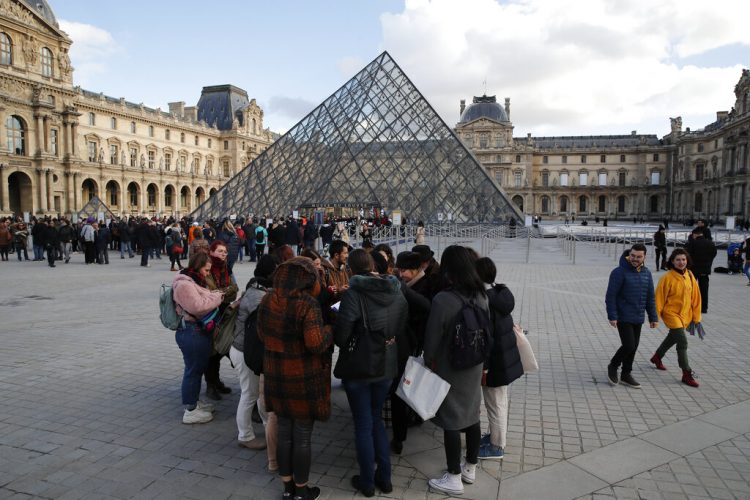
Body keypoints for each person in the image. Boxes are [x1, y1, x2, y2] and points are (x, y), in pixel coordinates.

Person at [257, 257, 333, 500]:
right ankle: (302, 490)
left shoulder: (268, 299)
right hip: (302, 378)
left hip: (276, 376)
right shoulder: (307, 304)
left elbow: (261, 334)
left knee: (285, 433)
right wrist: (330, 330)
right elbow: (315, 343)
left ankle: (287, 488)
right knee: (302, 437)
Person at [334, 249, 407, 497]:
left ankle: (366, 482)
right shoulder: (395, 289)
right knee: (376, 420)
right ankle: (384, 478)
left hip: (360, 364)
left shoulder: (354, 294)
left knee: (363, 425)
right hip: (387, 363)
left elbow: (342, 335)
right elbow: (402, 320)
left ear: (351, 270)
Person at [424, 245, 487, 496]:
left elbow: (431, 340)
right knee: (472, 413)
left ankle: (453, 477)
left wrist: (429, 362)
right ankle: (470, 467)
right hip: (474, 362)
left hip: (450, 366)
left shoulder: (443, 299)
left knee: (451, 419)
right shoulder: (482, 295)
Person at [475, 257, 523, 460]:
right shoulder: (499, 294)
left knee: (495, 404)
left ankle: (496, 446)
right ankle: (495, 437)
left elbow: (488, 339)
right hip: (504, 359)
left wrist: (484, 368)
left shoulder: (485, 301)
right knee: (497, 402)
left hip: (495, 362)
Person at [229, 256, 276, 452]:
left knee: (256, 393)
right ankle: (245, 435)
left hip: (245, 349)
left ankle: (267, 428)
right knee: (249, 393)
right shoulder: (258, 296)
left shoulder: (256, 288)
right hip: (244, 350)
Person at [172, 252, 224, 424]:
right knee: (193, 371)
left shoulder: (193, 279)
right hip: (192, 331)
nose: (207, 274)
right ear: (197, 266)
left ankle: (193, 402)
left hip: (196, 331)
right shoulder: (185, 285)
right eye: (206, 270)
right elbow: (197, 306)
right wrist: (216, 297)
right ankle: (190, 410)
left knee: (196, 369)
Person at [389, 251, 430, 454]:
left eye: (404, 270)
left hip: (413, 346)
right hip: (406, 345)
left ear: (417, 270)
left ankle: (400, 435)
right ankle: (402, 430)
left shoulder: (424, 285)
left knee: (402, 390)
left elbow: (425, 308)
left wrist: (403, 288)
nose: (401, 274)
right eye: (400, 270)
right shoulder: (410, 282)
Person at [605, 244, 658, 388]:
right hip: (623, 316)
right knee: (629, 345)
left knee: (634, 347)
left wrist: (653, 317)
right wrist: (612, 315)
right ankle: (613, 366)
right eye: (633, 256)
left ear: (644, 257)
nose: (635, 259)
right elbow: (611, 296)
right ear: (629, 255)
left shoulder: (646, 273)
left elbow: (650, 297)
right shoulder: (619, 272)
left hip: (638, 316)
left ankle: (626, 374)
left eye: (639, 257)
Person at [650, 248, 702, 388]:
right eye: (678, 260)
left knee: (673, 337)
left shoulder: (690, 275)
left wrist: (696, 318)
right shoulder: (667, 278)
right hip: (671, 314)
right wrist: (655, 318)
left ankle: (657, 357)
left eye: (683, 259)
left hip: (685, 315)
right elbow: (659, 299)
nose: (681, 262)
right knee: (682, 342)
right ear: (672, 261)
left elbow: (696, 298)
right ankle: (686, 373)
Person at [203, 240, 239, 400]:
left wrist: (220, 293)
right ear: (211, 252)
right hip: (210, 314)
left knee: (223, 348)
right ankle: (211, 385)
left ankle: (215, 381)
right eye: (220, 251)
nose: (223, 254)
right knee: (212, 352)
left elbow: (234, 291)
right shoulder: (206, 268)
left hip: (226, 313)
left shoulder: (227, 268)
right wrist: (223, 293)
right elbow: (208, 292)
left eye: (225, 252)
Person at [685, 228, 716, 314]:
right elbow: (714, 254)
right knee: (704, 289)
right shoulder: (710, 243)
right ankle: (704, 308)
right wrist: (708, 263)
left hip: (693, 270)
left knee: (691, 289)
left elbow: (687, 255)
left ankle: (691, 306)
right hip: (705, 270)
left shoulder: (692, 243)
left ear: (694, 234)